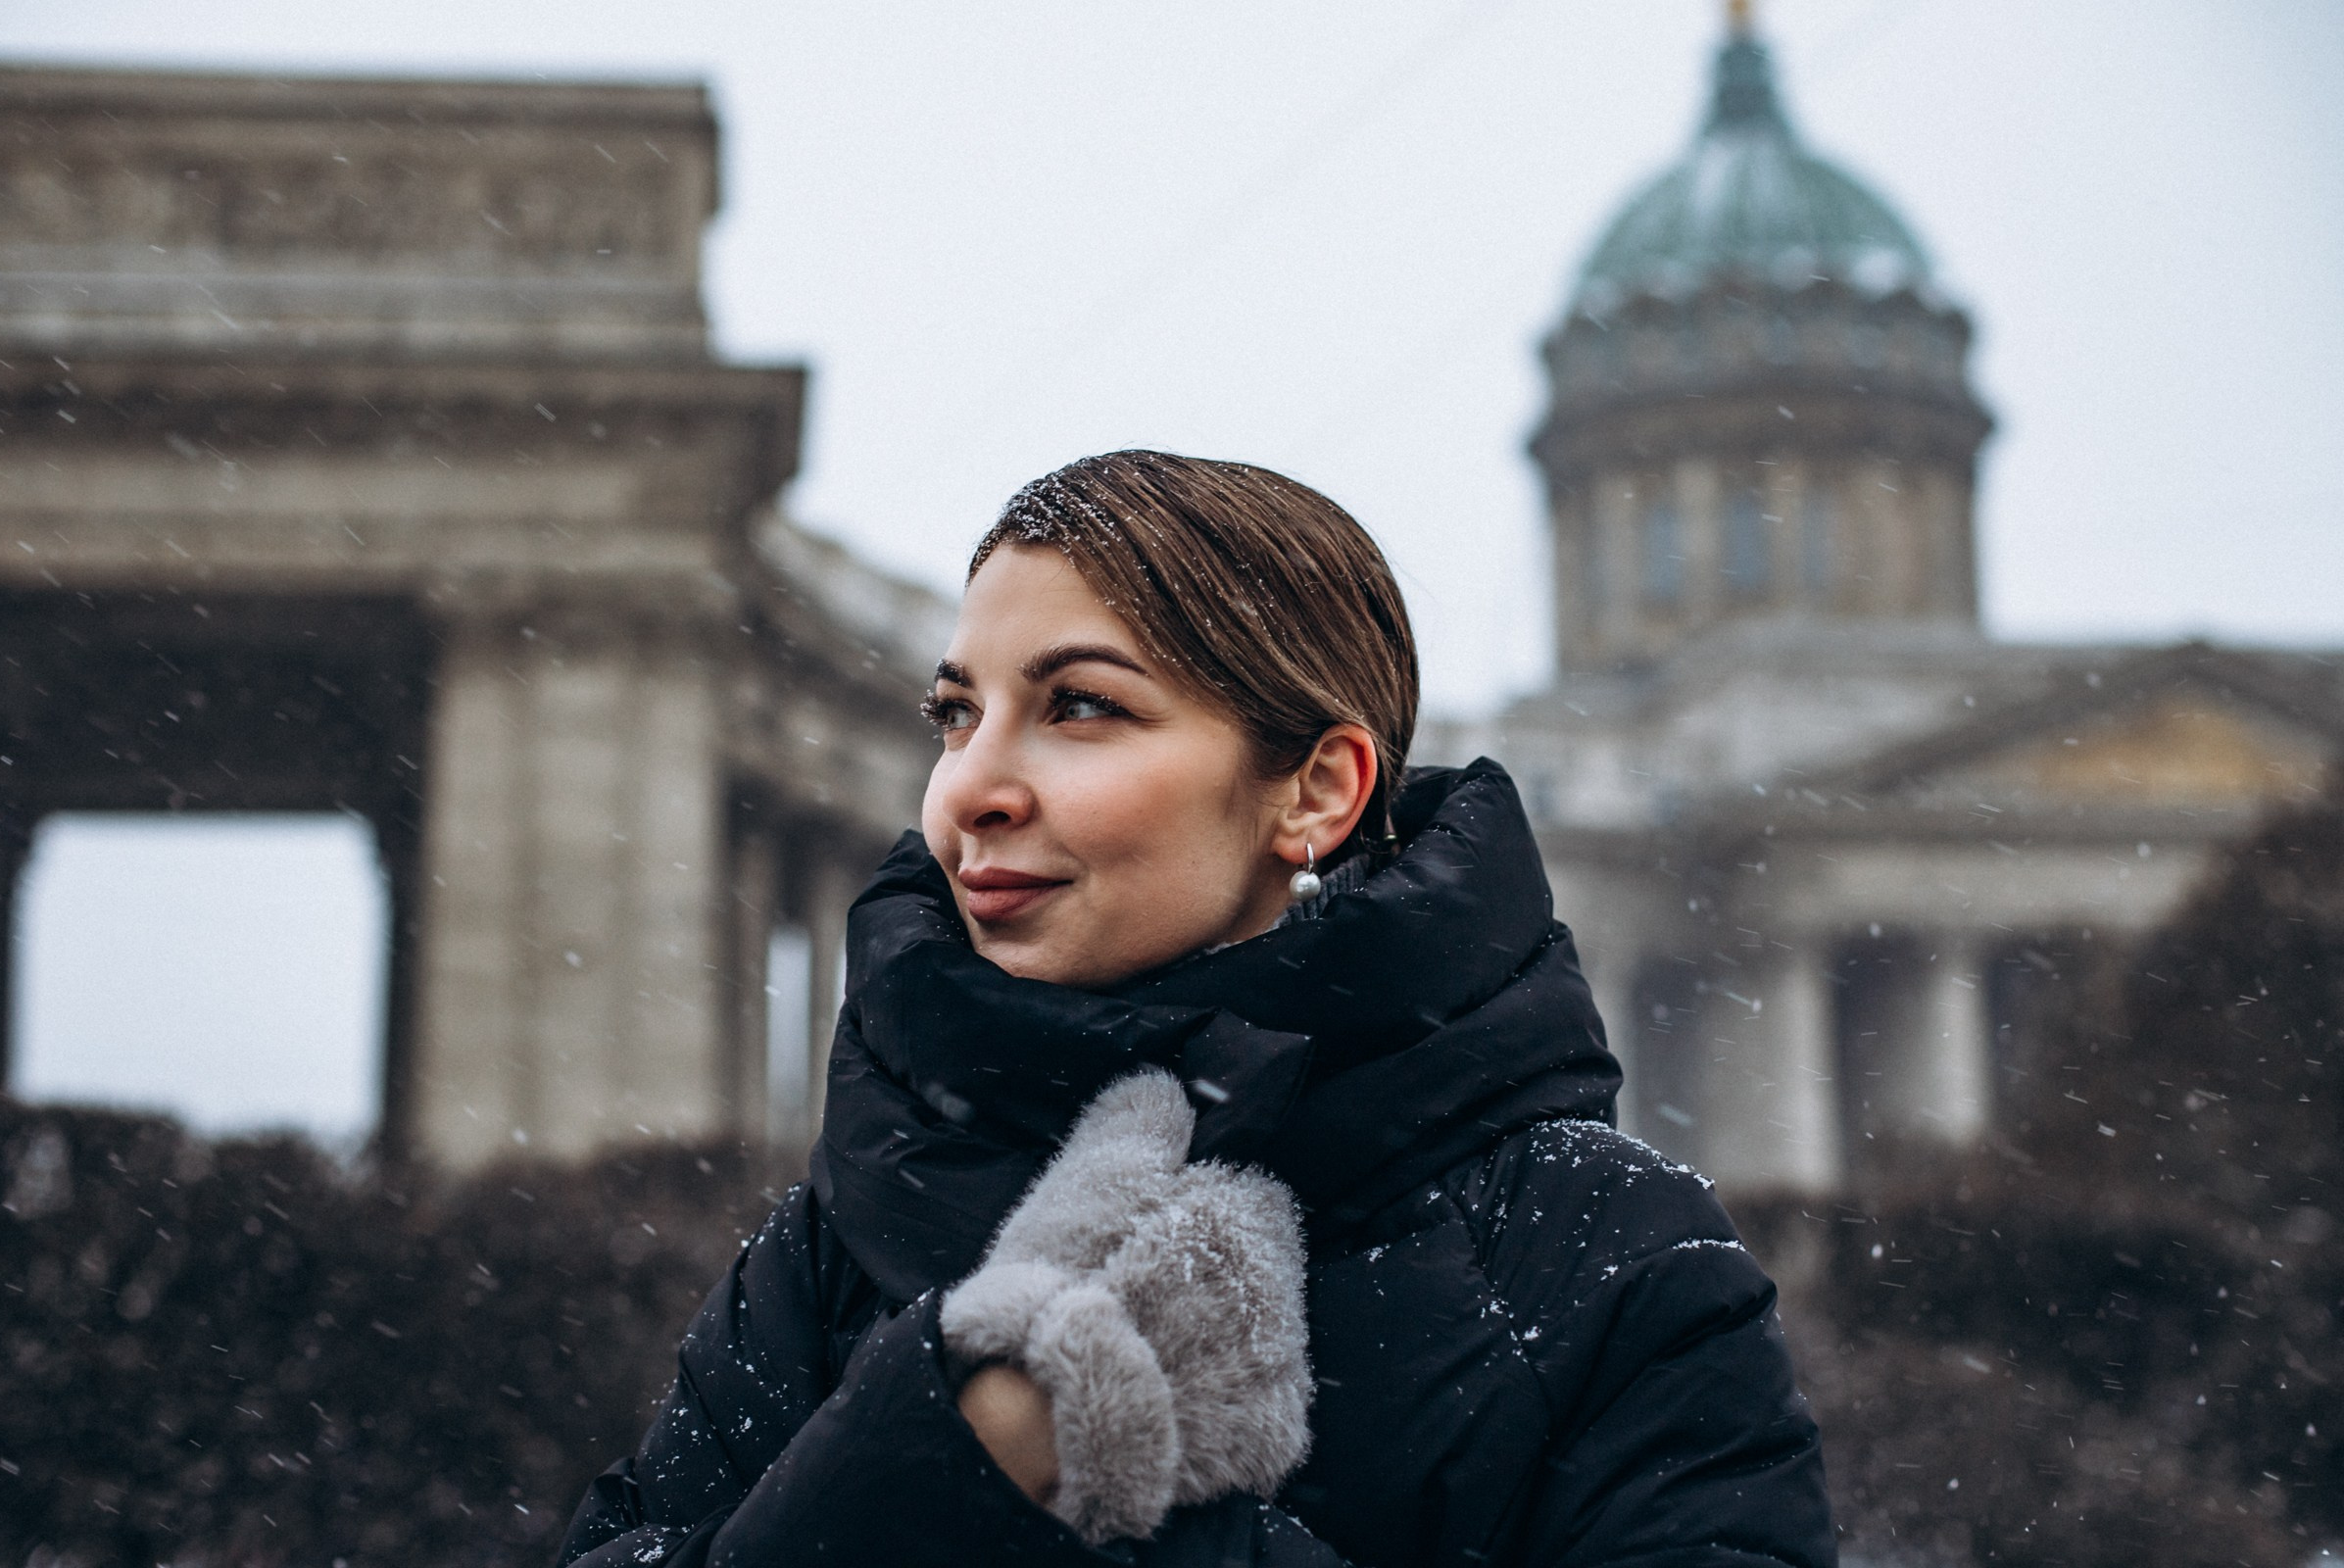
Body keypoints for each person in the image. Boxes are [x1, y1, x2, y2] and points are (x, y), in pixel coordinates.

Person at [555, 452, 1835, 1567]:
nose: (969, 791)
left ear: (1316, 794)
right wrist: (956, 1435)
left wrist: (1082, 1491)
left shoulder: (1606, 1246)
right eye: (957, 714)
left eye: (1080, 707)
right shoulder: (837, 1232)